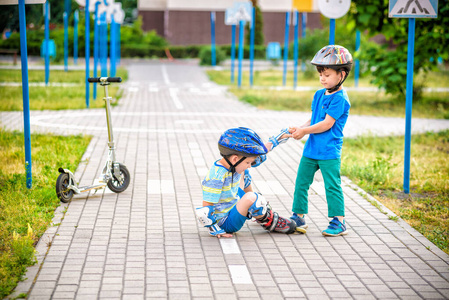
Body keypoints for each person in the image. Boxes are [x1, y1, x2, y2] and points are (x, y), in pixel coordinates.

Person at [287, 45, 353, 237]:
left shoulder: (340, 99)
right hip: (311, 149)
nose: (322, 78)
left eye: (327, 75)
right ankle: (298, 217)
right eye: (320, 75)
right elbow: (314, 118)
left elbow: (326, 124)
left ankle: (338, 222)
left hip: (329, 151)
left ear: (341, 75)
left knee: (331, 185)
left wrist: (304, 131)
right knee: (301, 182)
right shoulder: (318, 94)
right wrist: (299, 128)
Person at [196, 127, 298, 237]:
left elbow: (260, 155)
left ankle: (257, 210)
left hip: (231, 206)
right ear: (235, 159)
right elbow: (206, 207)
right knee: (252, 197)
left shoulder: (232, 165)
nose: (250, 165)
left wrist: (278, 138)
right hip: (225, 223)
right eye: (248, 162)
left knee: (245, 174)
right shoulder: (216, 176)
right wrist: (215, 230)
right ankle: (266, 219)